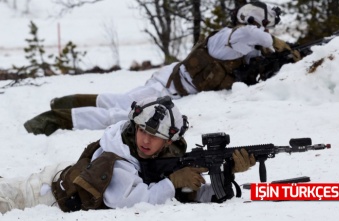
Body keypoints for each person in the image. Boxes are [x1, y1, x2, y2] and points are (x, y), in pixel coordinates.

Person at [24, 1, 301, 136]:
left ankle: (63, 103)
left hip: (169, 81)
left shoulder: (237, 40)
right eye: (267, 23)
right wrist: (285, 48)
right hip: (167, 87)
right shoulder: (238, 35)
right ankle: (54, 119)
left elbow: (257, 55)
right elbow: (262, 40)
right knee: (121, 114)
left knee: (117, 102)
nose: (268, 30)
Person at [1, 96, 256, 213]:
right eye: (142, 131)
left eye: (156, 136)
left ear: (168, 141)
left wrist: (225, 173)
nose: (146, 140)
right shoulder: (116, 153)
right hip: (44, 193)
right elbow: (127, 202)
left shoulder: (166, 158)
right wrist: (173, 182)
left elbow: (191, 194)